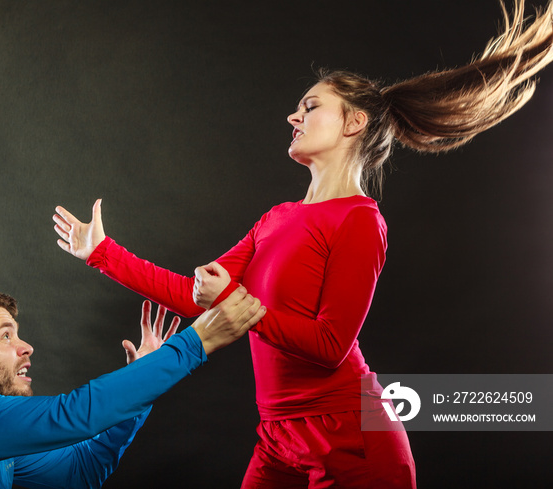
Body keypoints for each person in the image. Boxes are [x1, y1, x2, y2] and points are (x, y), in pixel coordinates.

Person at [52, 1, 553, 487]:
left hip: (351, 440)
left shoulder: (359, 221)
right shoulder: (277, 218)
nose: (294, 117)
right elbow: (197, 295)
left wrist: (229, 299)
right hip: (277, 437)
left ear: (353, 123)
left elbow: (331, 347)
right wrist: (101, 253)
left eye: (311, 107)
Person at [0, 288, 265, 488]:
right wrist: (197, 342)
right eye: (6, 336)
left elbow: (80, 471)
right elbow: (73, 415)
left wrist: (144, 388)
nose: (26, 346)